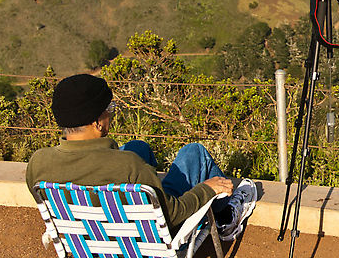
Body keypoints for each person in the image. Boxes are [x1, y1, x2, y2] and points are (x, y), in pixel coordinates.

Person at [25, 74, 257, 240]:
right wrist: (207, 188)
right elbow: (173, 213)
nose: (111, 116)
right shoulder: (126, 166)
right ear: (97, 123)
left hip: (92, 234)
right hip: (146, 235)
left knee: (137, 146)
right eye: (109, 110)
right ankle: (226, 216)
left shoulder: (38, 163)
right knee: (193, 153)